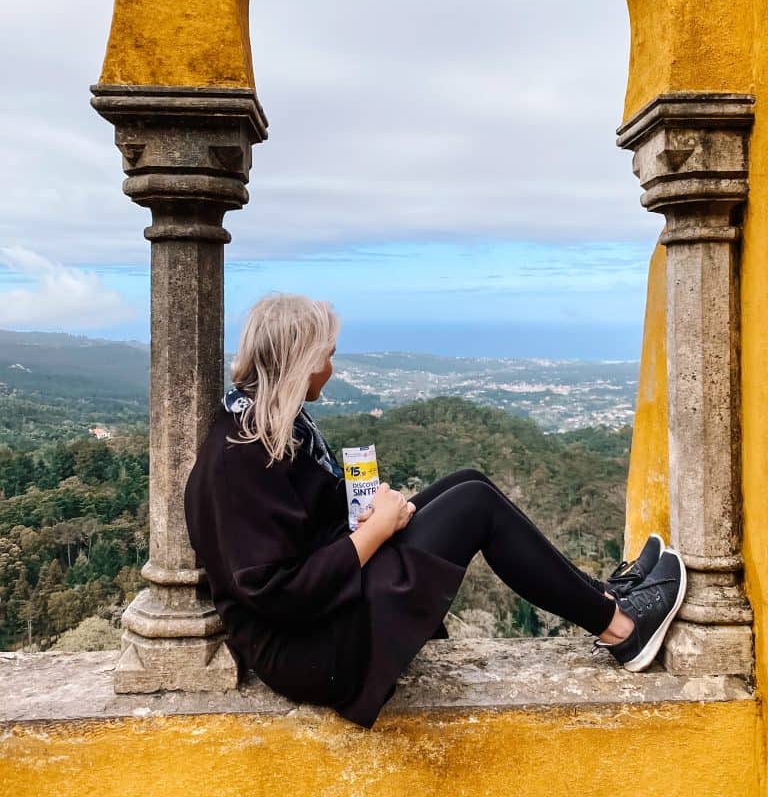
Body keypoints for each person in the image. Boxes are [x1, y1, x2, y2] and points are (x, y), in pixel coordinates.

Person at [184, 294, 686, 729]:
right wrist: (376, 531)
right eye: (326, 356)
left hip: (328, 606)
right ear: (297, 363)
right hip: (311, 648)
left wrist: (375, 513)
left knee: (469, 482)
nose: (331, 369)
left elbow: (303, 529)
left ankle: (600, 594)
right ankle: (620, 628)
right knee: (474, 507)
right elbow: (277, 592)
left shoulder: (270, 425)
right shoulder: (240, 457)